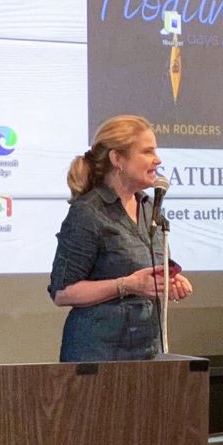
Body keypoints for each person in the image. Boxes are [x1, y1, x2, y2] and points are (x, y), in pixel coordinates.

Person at [48, 114, 193, 362]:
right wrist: (127, 285)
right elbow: (62, 292)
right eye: (147, 152)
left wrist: (170, 282)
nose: (157, 160)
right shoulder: (88, 212)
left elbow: (147, 273)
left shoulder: (150, 208)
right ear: (118, 159)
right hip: (99, 355)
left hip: (148, 351)